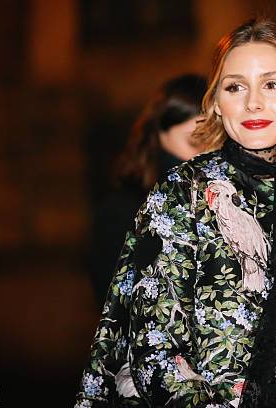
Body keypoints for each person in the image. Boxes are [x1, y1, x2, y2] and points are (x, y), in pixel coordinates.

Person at [75, 18, 276, 408]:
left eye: (273, 84)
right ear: (217, 106)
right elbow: (155, 350)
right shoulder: (182, 192)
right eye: (235, 86)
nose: (253, 102)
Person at [88, 74, 207, 308]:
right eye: (194, 143)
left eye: (213, 143)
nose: (202, 156)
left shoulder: (229, 199)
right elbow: (115, 305)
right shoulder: (124, 212)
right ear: (159, 133)